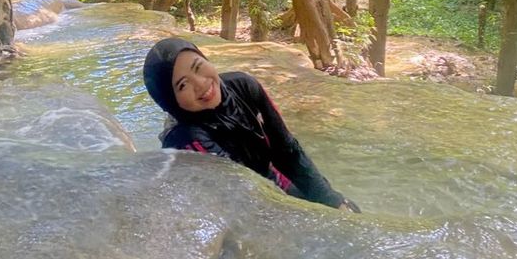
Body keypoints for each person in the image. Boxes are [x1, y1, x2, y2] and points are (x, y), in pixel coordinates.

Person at [143, 37, 360, 212]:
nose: (201, 84)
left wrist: (331, 200)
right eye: (182, 85)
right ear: (170, 101)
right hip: (230, 207)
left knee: (344, 209)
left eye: (198, 67)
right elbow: (242, 197)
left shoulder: (243, 86)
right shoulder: (184, 138)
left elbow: (288, 151)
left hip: (264, 179)